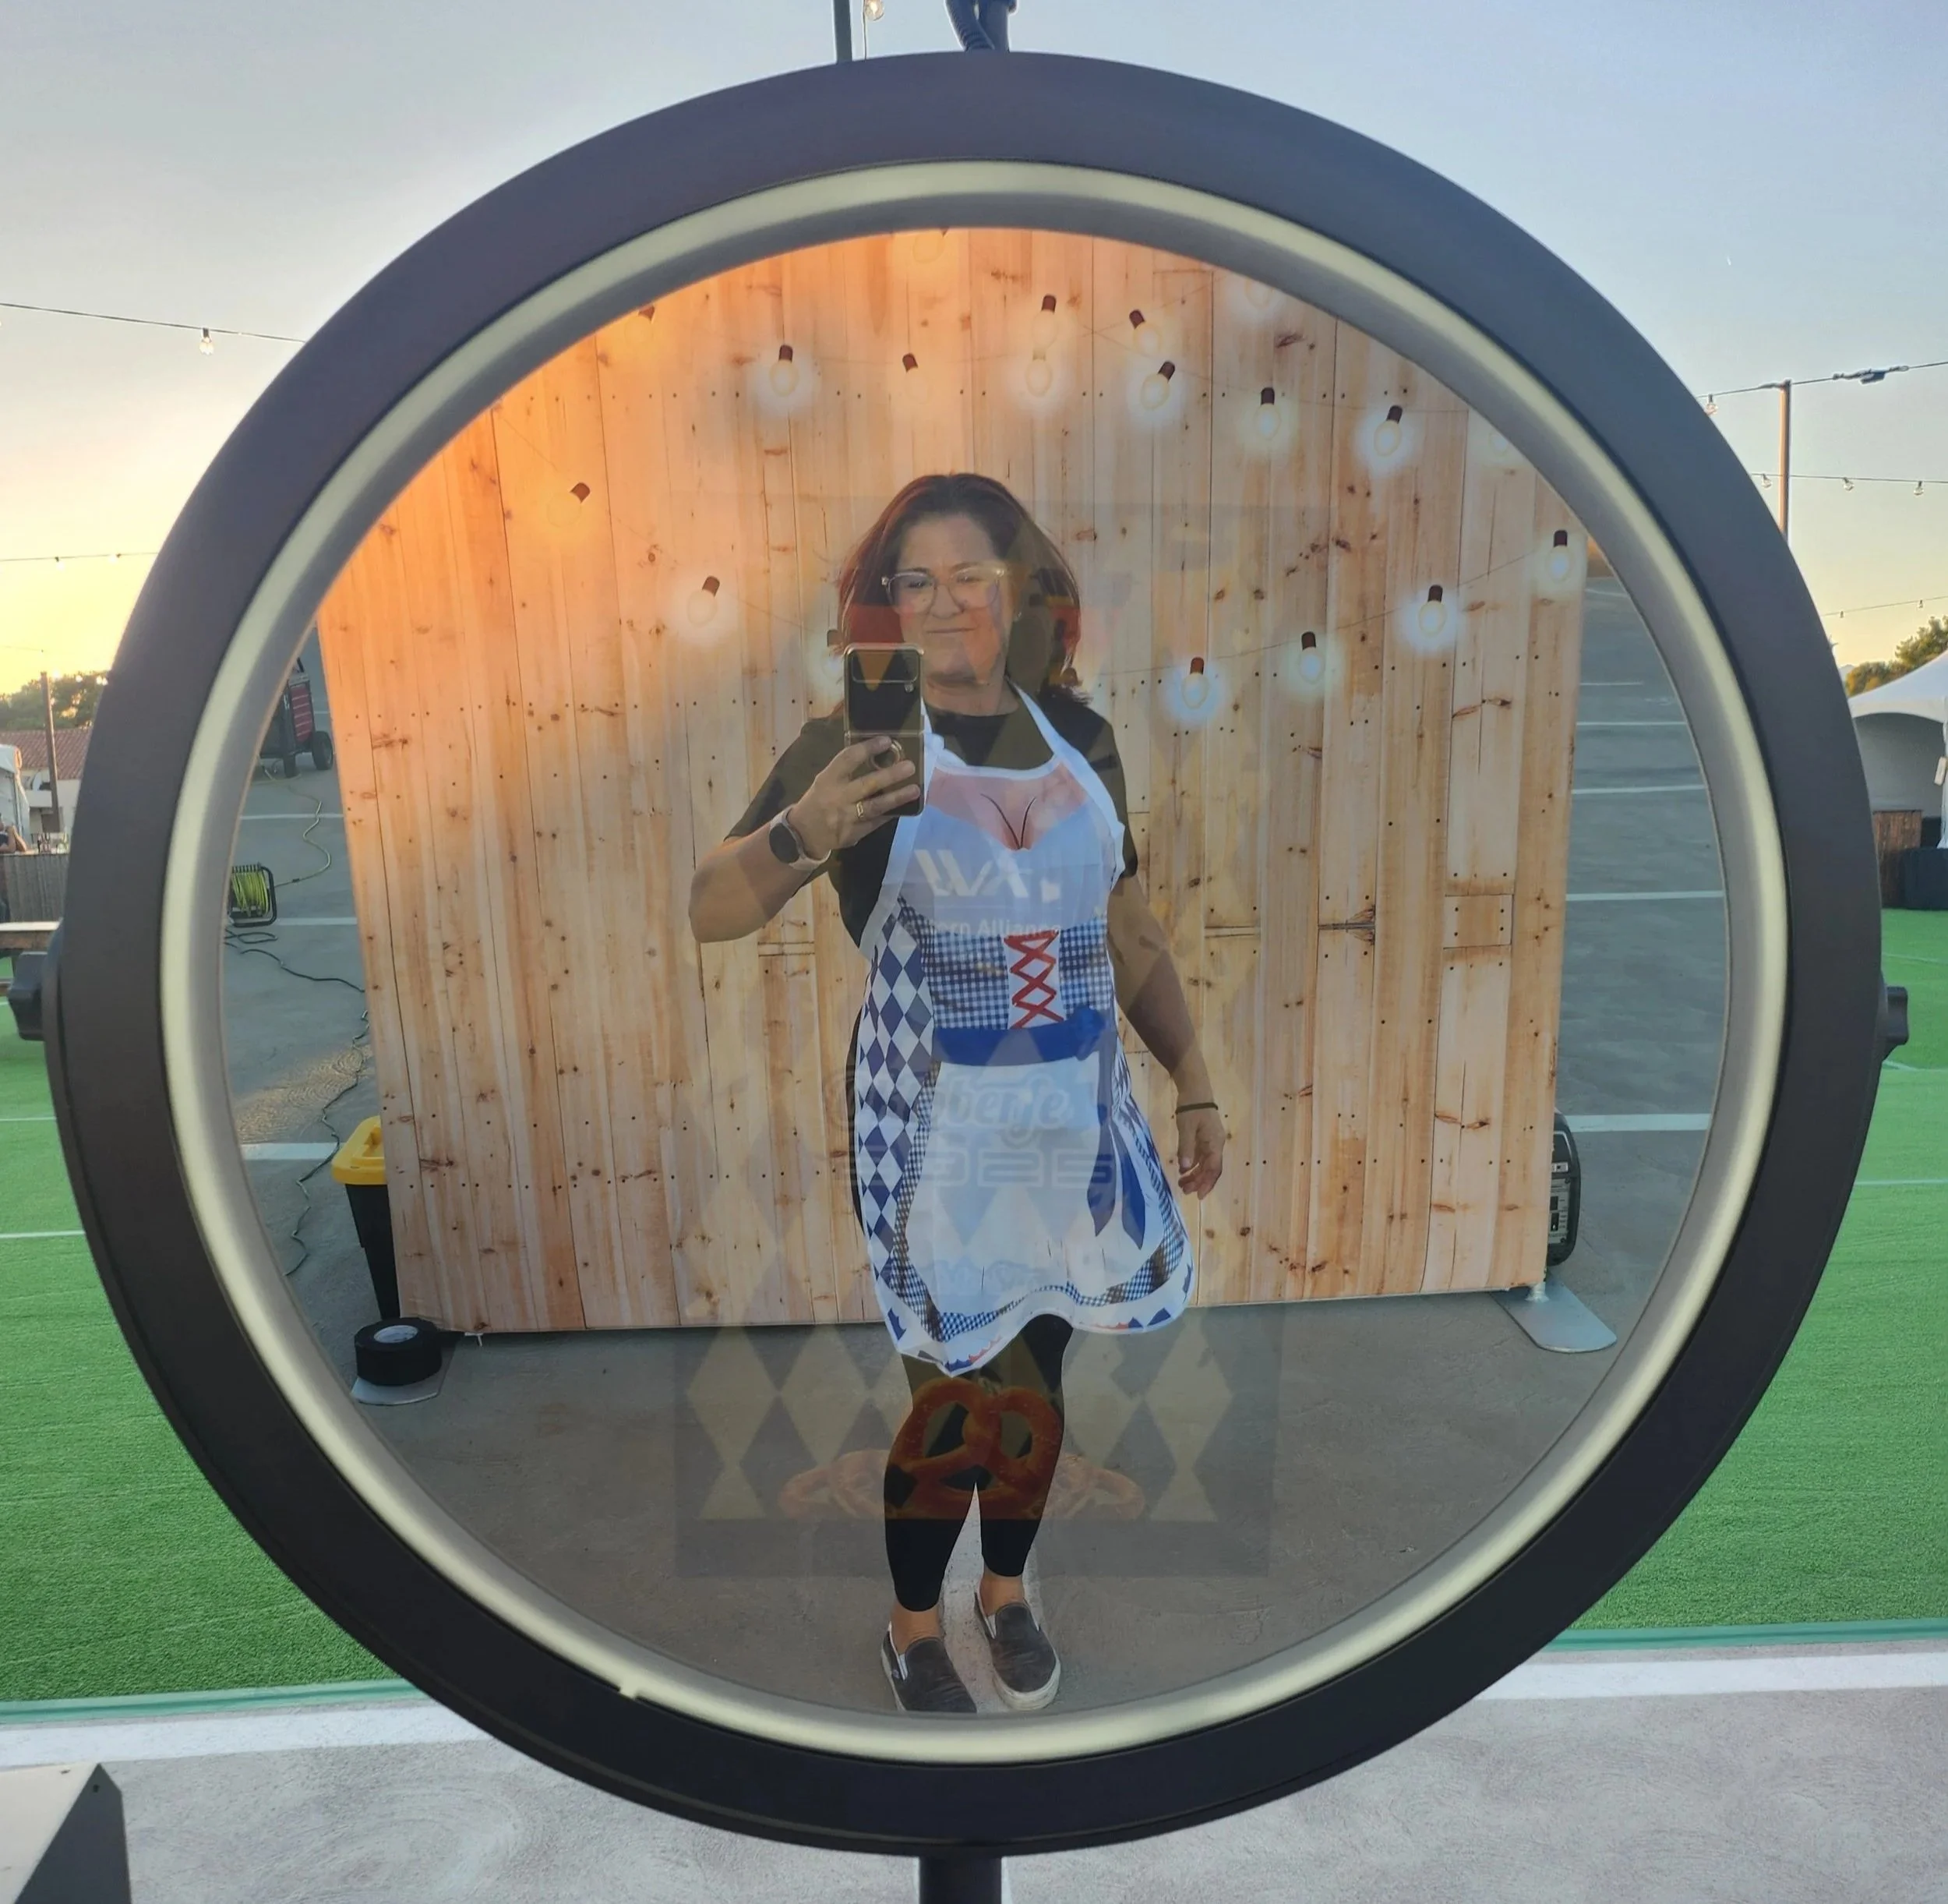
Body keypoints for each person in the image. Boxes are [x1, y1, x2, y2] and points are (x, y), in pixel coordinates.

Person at [690, 473, 1225, 1715]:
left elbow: (1128, 925)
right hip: (934, 1134)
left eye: (970, 575)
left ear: (1022, 588)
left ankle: (1006, 1591)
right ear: (886, 601)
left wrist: (1193, 1076)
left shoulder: (1081, 738)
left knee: (1037, 1377)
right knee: (953, 1400)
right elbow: (710, 908)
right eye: (914, 580)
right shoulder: (855, 746)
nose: (942, 603)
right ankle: (913, 1623)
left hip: (1071, 1120)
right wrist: (801, 832)